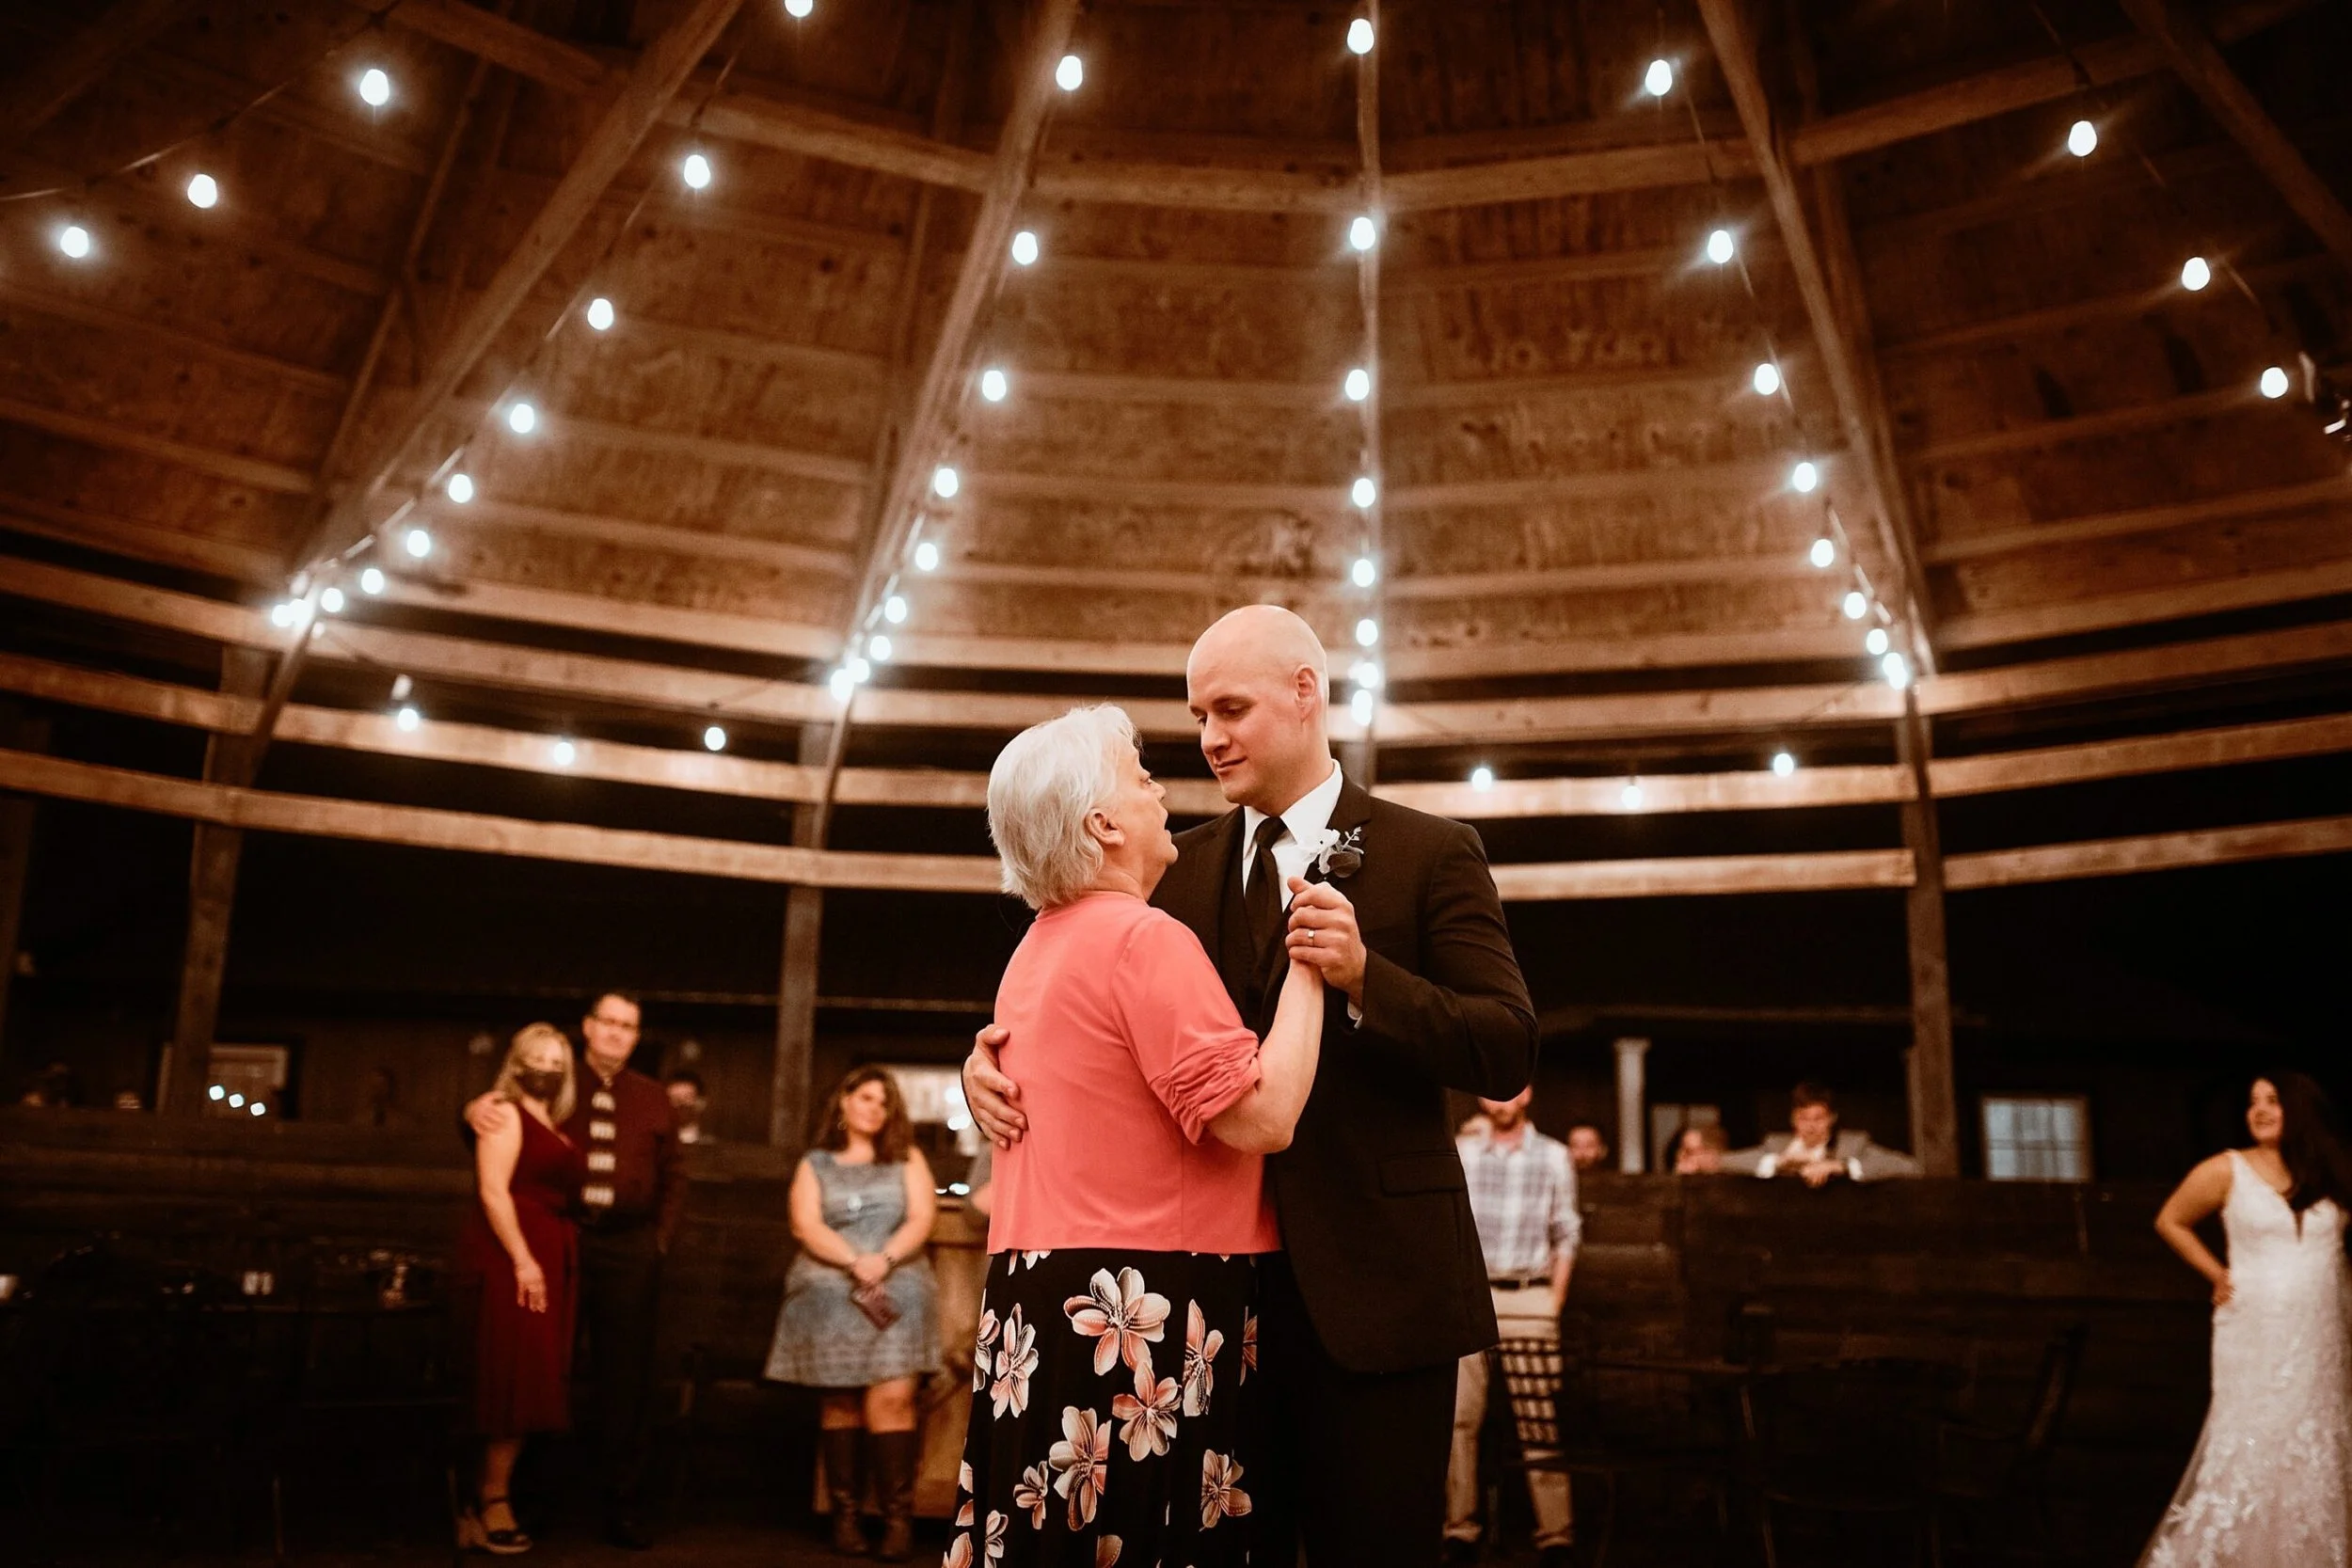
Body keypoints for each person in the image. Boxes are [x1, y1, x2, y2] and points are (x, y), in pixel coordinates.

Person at [966, 607, 1538, 1567]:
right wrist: (986, 1060)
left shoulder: (1430, 850)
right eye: (1196, 714)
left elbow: (1507, 1045)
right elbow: (1084, 989)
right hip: (1208, 1308)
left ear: (1306, 692)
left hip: (1380, 1289)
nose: (1208, 737)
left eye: (1230, 707)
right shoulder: (1166, 867)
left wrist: (1368, 976)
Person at [952, 703, 1327, 1568]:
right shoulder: (1143, 940)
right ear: (1103, 823)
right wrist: (1308, 962)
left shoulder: (1034, 952)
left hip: (1039, 1304)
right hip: (1143, 1306)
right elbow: (1264, 1118)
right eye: (1142, 777)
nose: (1163, 793)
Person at [468, 993, 685, 1548]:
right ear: (588, 1028)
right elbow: (501, 1117)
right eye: (607, 1022)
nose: (616, 1033)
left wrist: (657, 1241)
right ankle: (533, 1500)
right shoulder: (558, 1080)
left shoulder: (653, 1097)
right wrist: (469, 1112)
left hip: (629, 1248)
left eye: (628, 1026)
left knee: (626, 1380)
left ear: (637, 1036)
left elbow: (675, 1175)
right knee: (550, 1368)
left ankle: (623, 1506)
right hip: (565, 1239)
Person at [2139, 1072, 2352, 1565]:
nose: (2259, 1110)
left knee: (2313, 1445)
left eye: (2273, 1100)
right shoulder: (2226, 1170)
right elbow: (2169, 1220)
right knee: (2254, 1439)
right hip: (2255, 1333)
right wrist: (2216, 1273)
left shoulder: (2330, 1172)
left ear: (2299, 1109)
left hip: (2318, 1339)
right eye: (2253, 1102)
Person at [764, 1067, 942, 1560]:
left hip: (897, 1280)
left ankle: (897, 1520)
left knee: (893, 1397)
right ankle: (844, 1519)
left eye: (883, 1102)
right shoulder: (816, 1162)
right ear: (842, 1101)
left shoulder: (908, 1158)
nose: (874, 1109)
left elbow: (923, 1218)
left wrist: (882, 1260)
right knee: (840, 1399)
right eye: (865, 1098)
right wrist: (853, 1261)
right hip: (830, 1284)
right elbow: (805, 1224)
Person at [455, 1024, 585, 1556]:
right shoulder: (503, 1111)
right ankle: (491, 1499)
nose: (546, 1070)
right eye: (536, 1059)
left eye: (556, 1062)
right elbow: (492, 1190)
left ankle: (483, 1500)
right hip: (515, 1253)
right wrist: (524, 1260)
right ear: (515, 1063)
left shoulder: (549, 1120)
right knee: (510, 1375)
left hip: (547, 1251)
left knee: (530, 1375)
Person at [1446, 1087, 1580, 1566]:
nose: (1502, 1099)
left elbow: (1567, 1231)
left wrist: (1553, 1302)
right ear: (1482, 1101)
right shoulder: (1462, 1152)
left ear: (1528, 1095)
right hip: (1472, 1297)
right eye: (1492, 1092)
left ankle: (1556, 1536)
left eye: (1512, 1089)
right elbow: (1447, 1226)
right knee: (1459, 1421)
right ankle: (1459, 1530)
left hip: (1530, 1294)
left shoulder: (1554, 1156)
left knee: (1539, 1420)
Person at [1721, 1083, 1921, 1185]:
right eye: (1804, 1118)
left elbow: (1909, 1167)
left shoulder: (1851, 1145)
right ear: (1793, 1119)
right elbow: (1726, 1162)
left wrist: (1842, 1166)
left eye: (1818, 1118)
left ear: (1831, 1118)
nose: (1811, 1126)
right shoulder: (1776, 1145)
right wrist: (1778, 1162)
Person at [664, 1069, 712, 1145]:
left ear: (702, 1102)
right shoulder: (656, 1146)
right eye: (674, 1099)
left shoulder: (710, 1146)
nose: (681, 1104)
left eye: (687, 1098)